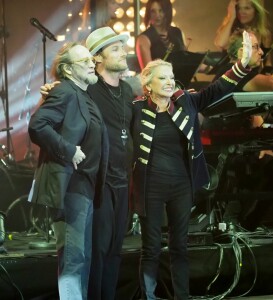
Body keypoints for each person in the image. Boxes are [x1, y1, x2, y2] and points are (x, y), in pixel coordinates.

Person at [130, 30, 254, 299]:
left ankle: (182, 297)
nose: (169, 82)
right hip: (150, 187)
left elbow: (218, 88)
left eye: (171, 77)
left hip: (180, 186)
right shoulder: (136, 109)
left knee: (180, 247)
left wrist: (242, 65)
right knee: (150, 248)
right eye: (162, 78)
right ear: (148, 84)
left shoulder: (184, 101)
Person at [40, 27, 134, 300]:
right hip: (95, 183)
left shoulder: (127, 90)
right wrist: (51, 92)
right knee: (91, 254)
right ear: (97, 58)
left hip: (121, 181)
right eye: (115, 48)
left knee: (114, 251)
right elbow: (45, 122)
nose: (123, 51)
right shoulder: (85, 90)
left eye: (121, 46)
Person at [28, 42, 109, 300]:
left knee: (80, 258)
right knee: (73, 259)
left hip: (84, 187)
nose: (91, 63)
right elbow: (38, 126)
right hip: (70, 185)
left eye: (90, 59)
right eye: (83, 60)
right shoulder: (65, 90)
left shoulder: (84, 94)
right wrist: (69, 150)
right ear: (68, 70)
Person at [211, 29, 273, 229]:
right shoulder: (232, 72)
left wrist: (265, 144)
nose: (262, 52)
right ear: (241, 51)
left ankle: (247, 225)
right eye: (256, 47)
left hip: (236, 151)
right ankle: (244, 226)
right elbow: (272, 82)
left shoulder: (240, 75)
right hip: (223, 156)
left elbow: (253, 115)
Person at [214, 0, 273, 73]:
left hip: (252, 78)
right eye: (238, 8)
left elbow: (268, 62)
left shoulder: (264, 34)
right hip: (230, 77)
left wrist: (268, 74)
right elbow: (220, 44)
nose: (241, 12)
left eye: (247, 8)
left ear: (256, 10)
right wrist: (231, 16)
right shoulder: (231, 29)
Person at [135, 0, 186, 70]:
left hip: (182, 79)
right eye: (153, 11)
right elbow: (148, 73)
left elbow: (186, 61)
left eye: (161, 10)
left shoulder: (177, 32)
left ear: (167, 11)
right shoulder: (143, 39)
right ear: (148, 13)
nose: (157, 15)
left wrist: (205, 66)